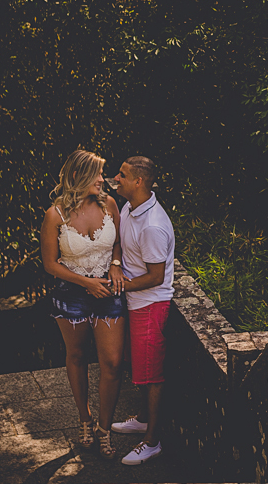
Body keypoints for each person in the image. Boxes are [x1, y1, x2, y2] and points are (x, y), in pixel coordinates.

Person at [40, 149, 126, 460]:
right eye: (98, 174)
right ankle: (85, 421)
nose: (103, 179)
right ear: (78, 176)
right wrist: (87, 283)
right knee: (76, 355)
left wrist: (115, 263)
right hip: (72, 293)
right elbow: (50, 264)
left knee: (113, 364)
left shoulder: (110, 205)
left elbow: (116, 241)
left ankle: (105, 429)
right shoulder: (55, 215)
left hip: (108, 290)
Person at [109, 155, 175, 466]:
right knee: (141, 369)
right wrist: (117, 264)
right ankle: (143, 419)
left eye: (121, 175)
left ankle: (152, 441)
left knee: (152, 374)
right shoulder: (130, 208)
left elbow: (156, 277)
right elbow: (119, 242)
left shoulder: (152, 225)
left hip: (151, 305)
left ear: (138, 182)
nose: (115, 178)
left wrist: (118, 286)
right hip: (137, 302)